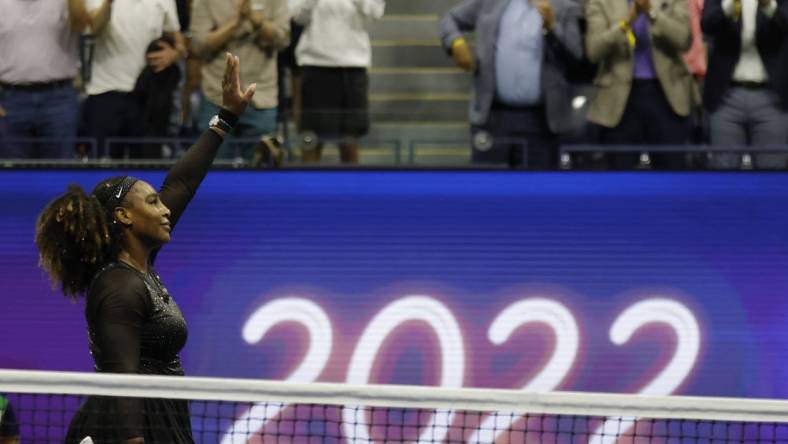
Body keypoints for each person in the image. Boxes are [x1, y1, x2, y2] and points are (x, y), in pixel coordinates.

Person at [36, 53, 255, 444]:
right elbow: (121, 381)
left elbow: (181, 184)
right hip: (127, 429)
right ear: (124, 216)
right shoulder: (119, 288)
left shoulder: (138, 266)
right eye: (152, 203)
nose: (164, 209)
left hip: (161, 414)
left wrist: (224, 119)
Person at [439, 0, 583, 169]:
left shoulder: (565, 8)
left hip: (541, 122)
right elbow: (449, 19)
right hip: (492, 117)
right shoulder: (490, 3)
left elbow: (576, 55)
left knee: (537, 191)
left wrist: (552, 27)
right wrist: (455, 42)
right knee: (488, 188)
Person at [585, 0, 699, 169]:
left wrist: (652, 14)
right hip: (619, 101)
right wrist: (626, 24)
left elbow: (684, 40)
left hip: (666, 97)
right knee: (620, 181)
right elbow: (593, 50)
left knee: (671, 177)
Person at [82, 0, 187, 159]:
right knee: (103, 171)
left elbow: (178, 39)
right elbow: (94, 30)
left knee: (146, 172)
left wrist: (175, 54)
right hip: (106, 92)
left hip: (148, 96)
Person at [190, 0, 290, 163]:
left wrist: (255, 19)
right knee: (213, 172)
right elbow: (198, 46)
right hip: (216, 97)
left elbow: (283, 39)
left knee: (264, 174)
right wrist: (236, 23)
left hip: (262, 96)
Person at [291, 0, 385, 164]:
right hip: (315, 63)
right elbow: (298, 16)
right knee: (311, 138)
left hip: (353, 65)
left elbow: (375, 12)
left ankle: (352, 188)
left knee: (350, 138)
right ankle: (309, 188)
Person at [702, 0, 788, 169]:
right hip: (726, 98)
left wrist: (768, 6)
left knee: (771, 177)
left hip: (772, 98)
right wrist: (729, 6)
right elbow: (707, 24)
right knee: (723, 176)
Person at [0, 0, 90, 159]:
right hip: (10, 98)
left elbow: (83, 25)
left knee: (60, 170)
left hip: (58, 98)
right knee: (11, 171)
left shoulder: (67, 2)